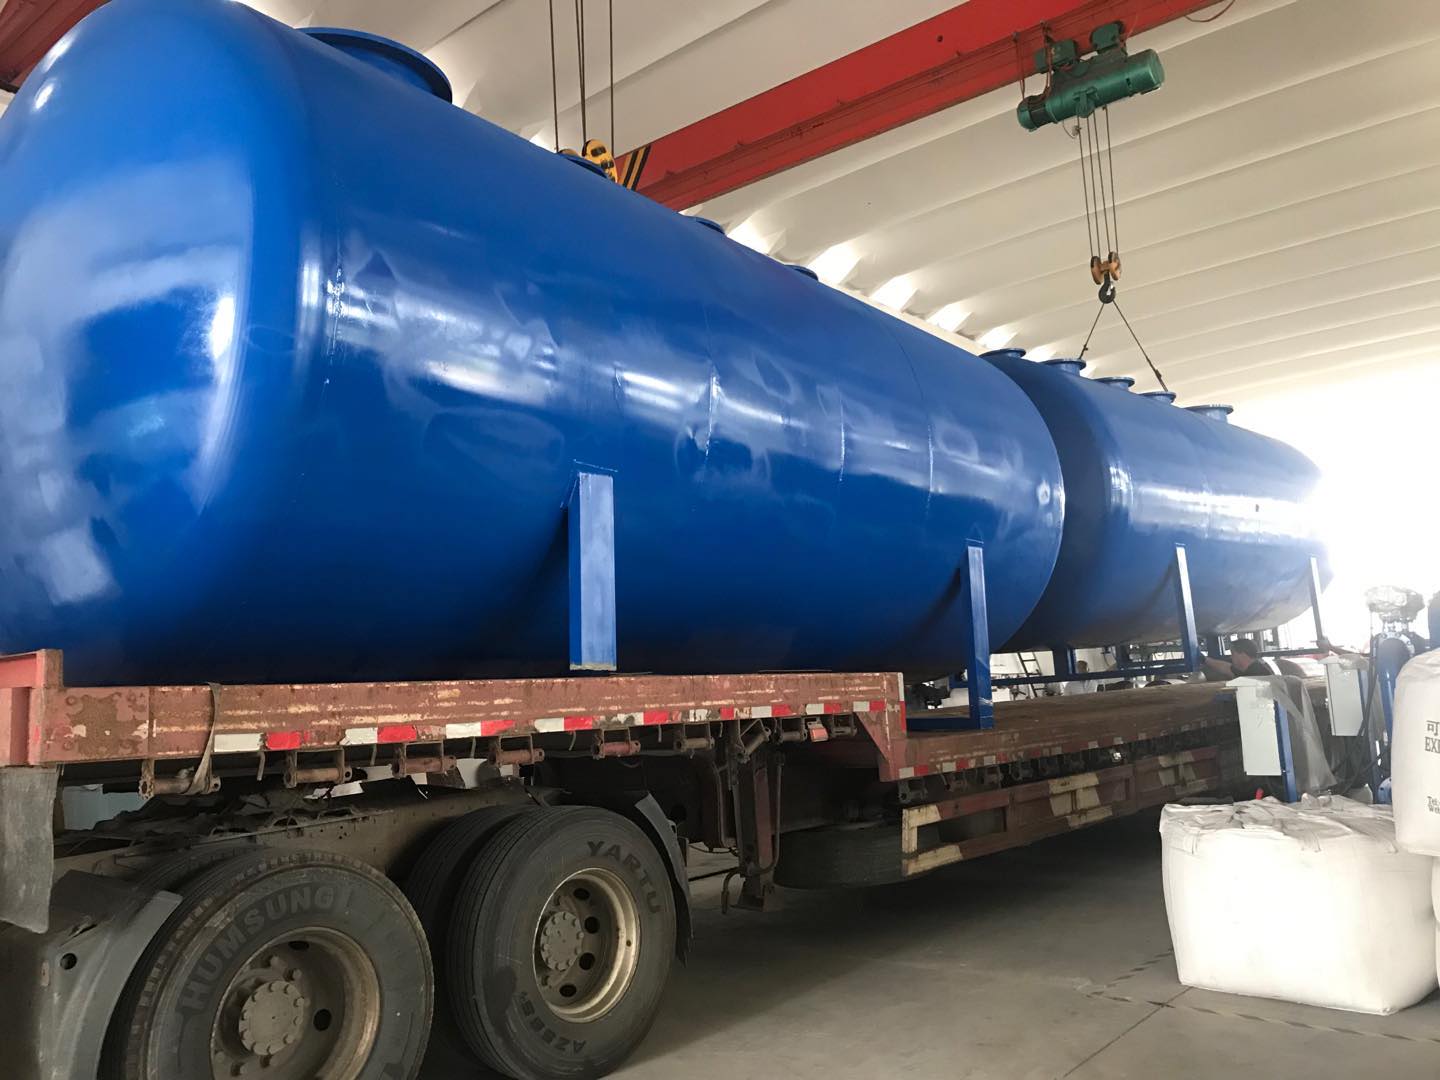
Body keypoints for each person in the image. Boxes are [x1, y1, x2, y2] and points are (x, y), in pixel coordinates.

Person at [1202, 638, 1276, 681]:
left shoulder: (1256, 674)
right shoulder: (1251, 669)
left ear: (1243, 655)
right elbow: (1225, 667)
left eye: (1233, 654)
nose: (1231, 657)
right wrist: (1204, 659)